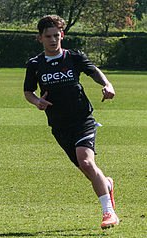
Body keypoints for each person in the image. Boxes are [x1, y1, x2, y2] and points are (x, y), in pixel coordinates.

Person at [24, 15, 119, 230]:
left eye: (56, 35)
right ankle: (107, 185)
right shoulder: (35, 64)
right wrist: (37, 101)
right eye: (48, 36)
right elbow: (28, 91)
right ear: (40, 38)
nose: (53, 40)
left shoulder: (74, 57)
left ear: (62, 35)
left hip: (82, 119)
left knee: (86, 161)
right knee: (86, 169)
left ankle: (109, 213)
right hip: (59, 125)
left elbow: (94, 72)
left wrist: (107, 84)